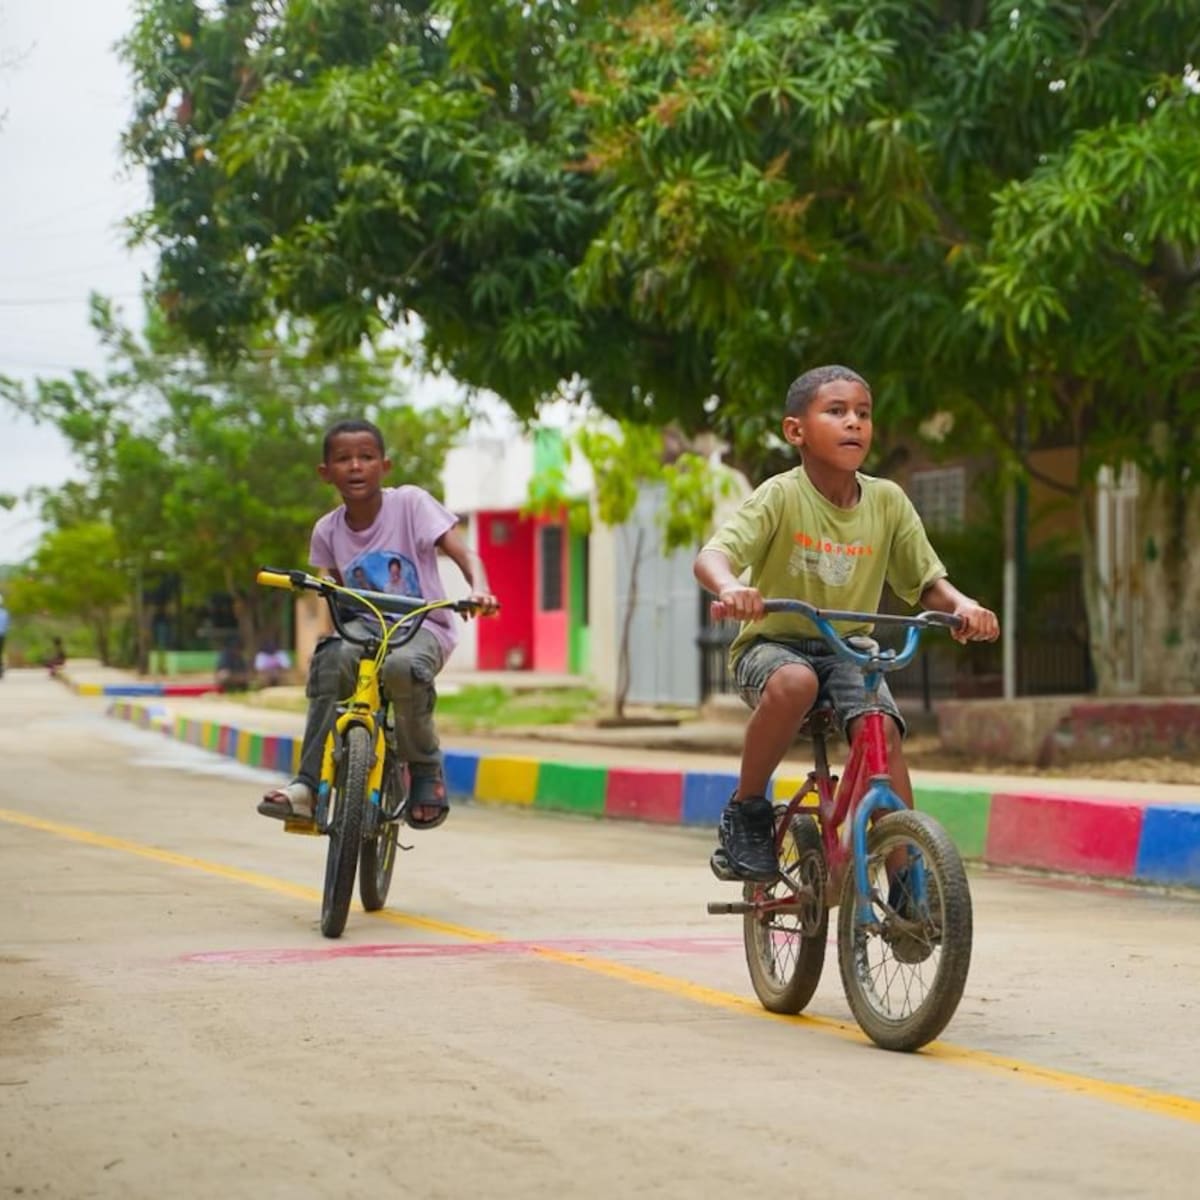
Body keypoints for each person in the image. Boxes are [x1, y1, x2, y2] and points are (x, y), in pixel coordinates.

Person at [693, 364, 999, 882]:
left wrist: (963, 604)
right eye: (836, 412)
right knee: (797, 681)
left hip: (848, 650)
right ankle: (746, 810)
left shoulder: (887, 501)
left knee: (879, 727)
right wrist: (731, 589)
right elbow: (713, 556)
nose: (853, 422)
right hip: (773, 647)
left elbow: (926, 581)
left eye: (863, 413)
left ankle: (909, 880)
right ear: (797, 432)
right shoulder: (781, 495)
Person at [258, 418, 498, 830]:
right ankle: (307, 786)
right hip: (362, 630)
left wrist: (480, 590)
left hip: (422, 626)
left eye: (366, 457)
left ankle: (424, 770)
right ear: (325, 472)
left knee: (403, 669)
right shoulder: (327, 531)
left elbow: (466, 555)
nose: (355, 466)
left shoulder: (411, 504)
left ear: (384, 466)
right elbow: (337, 595)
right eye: (343, 459)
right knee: (331, 661)